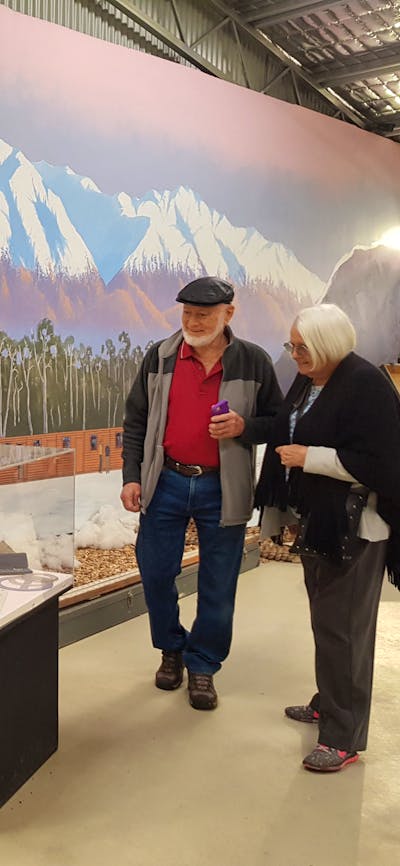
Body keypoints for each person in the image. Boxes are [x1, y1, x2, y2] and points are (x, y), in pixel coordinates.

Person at [120, 276, 282, 710]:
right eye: (187, 313)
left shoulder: (254, 361)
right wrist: (131, 476)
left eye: (203, 314)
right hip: (165, 481)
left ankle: (204, 665)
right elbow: (135, 421)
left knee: (218, 581)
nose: (192, 321)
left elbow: (279, 422)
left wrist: (245, 428)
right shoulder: (160, 355)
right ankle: (171, 648)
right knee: (154, 572)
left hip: (222, 487)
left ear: (229, 314)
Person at [255, 303, 400, 772]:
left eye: (304, 347)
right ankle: (329, 701)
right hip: (321, 521)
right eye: (291, 346)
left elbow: (381, 464)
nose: (295, 354)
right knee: (326, 622)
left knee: (346, 631)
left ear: (330, 345)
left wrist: (310, 458)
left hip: (357, 527)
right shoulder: (311, 378)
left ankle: (343, 736)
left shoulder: (367, 386)